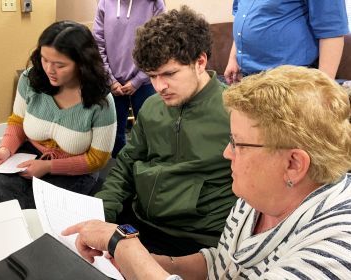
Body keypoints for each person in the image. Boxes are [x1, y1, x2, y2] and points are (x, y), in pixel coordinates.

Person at [63, 65, 351, 280]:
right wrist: (150, 263)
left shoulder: (336, 249)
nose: (227, 152)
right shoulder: (255, 198)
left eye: (238, 144)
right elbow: (221, 263)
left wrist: (125, 247)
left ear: (294, 164)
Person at [94, 6, 235, 257]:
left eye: (169, 74)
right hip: (140, 220)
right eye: (152, 76)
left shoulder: (235, 112)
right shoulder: (151, 107)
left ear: (200, 62)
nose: (159, 86)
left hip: (195, 238)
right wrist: (102, 210)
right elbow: (127, 162)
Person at [0, 21, 117, 209]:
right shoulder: (30, 79)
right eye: (44, 59)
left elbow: (97, 159)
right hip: (31, 155)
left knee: (38, 206)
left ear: (82, 64)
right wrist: (5, 150)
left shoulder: (101, 101)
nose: (49, 70)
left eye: (60, 65)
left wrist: (49, 167)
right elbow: (17, 122)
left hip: (76, 169)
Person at [93, 0, 166, 157]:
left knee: (151, 133)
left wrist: (138, 80)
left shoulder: (154, 3)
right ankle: (119, 174)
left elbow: (160, 46)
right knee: (114, 138)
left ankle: (149, 172)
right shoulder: (105, 3)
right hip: (112, 83)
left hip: (145, 82)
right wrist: (110, 80)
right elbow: (98, 44)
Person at [224, 0, 349, 84]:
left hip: (291, 83)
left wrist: (323, 89)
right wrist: (233, 58)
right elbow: (242, 17)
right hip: (247, 78)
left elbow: (332, 32)